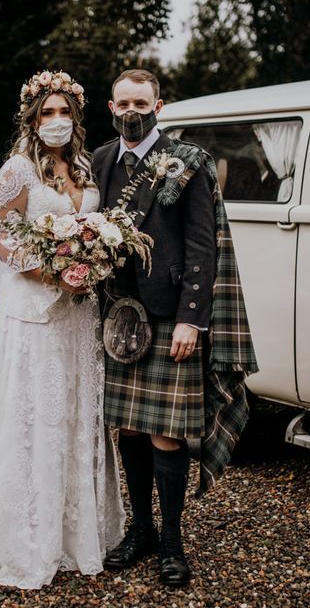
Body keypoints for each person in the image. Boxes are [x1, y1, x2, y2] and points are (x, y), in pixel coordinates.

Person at [0, 70, 125, 589]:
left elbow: (93, 228)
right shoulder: (17, 169)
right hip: (37, 313)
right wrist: (52, 270)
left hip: (79, 314)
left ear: (76, 117)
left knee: (76, 410)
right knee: (37, 414)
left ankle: (78, 531)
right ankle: (29, 533)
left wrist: (91, 263)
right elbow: (1, 238)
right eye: (46, 112)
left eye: (64, 112)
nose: (56, 121)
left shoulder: (84, 167)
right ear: (32, 118)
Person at [92, 69, 258, 587]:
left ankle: (171, 540)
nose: (131, 112)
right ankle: (140, 530)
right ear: (111, 107)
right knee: (131, 427)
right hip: (118, 316)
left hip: (169, 316)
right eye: (123, 103)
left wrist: (192, 318)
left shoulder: (188, 162)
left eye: (141, 102)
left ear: (159, 106)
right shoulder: (99, 160)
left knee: (167, 432)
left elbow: (203, 247)